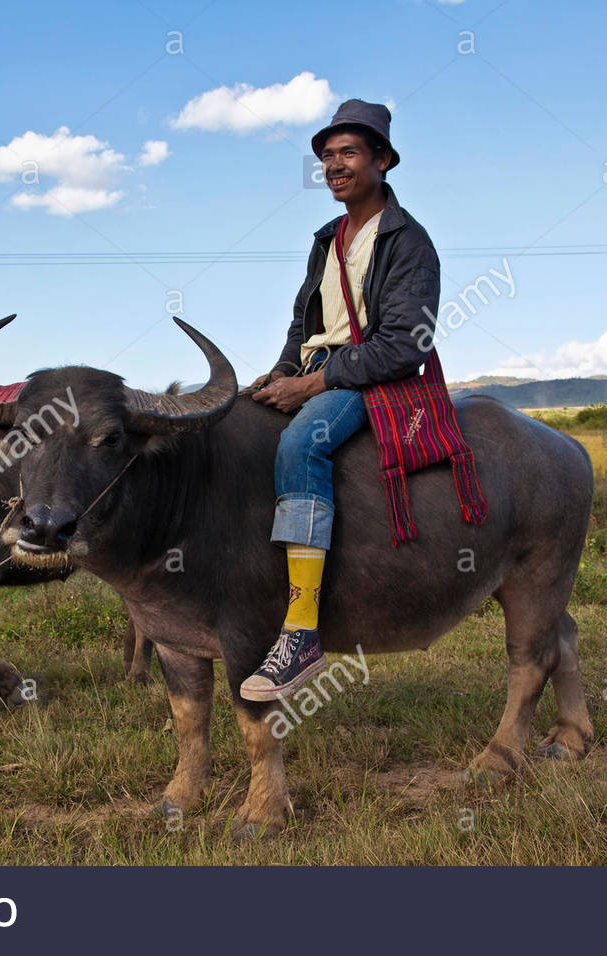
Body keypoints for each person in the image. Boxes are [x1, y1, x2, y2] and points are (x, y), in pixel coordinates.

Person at [240, 99, 441, 702]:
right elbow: (304, 325)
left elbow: (404, 345)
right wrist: (276, 375)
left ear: (382, 160)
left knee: (303, 443)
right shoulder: (327, 238)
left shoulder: (409, 242)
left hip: (369, 379)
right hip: (316, 369)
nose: (334, 165)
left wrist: (313, 385)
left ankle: (301, 632)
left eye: (349, 153)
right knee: (237, 431)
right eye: (327, 156)